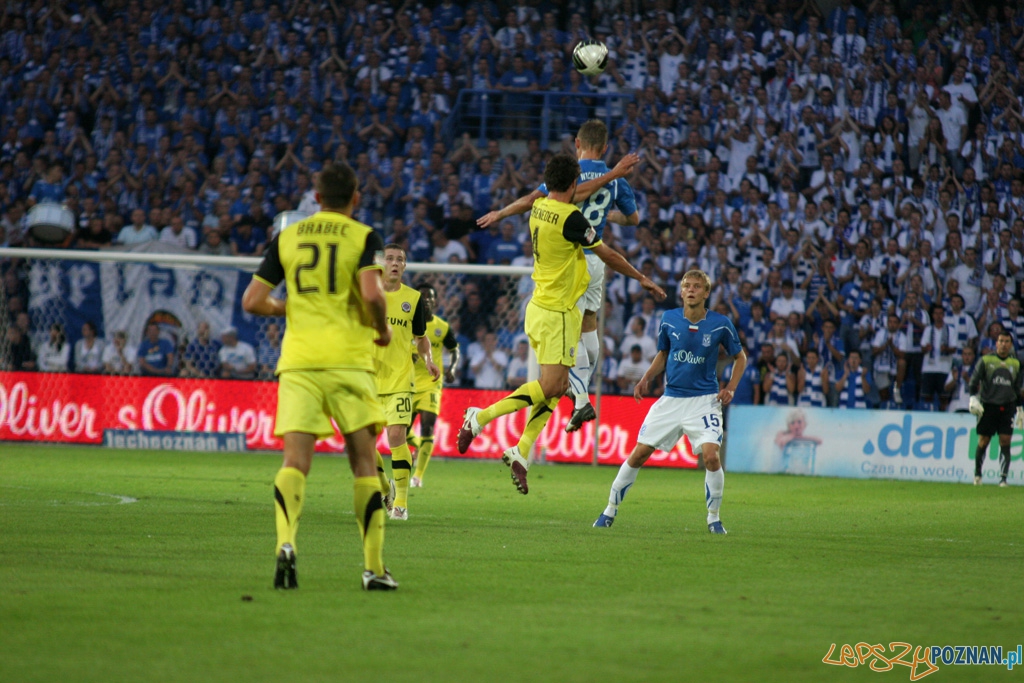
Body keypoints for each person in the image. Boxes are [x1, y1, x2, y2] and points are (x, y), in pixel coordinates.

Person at [458, 153, 665, 495]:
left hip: (540, 306)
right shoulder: (570, 218)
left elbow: (573, 194)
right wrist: (641, 277)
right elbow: (608, 254)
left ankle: (521, 451)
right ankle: (479, 417)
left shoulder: (539, 206)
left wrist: (604, 176)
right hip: (560, 313)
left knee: (555, 384)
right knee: (553, 386)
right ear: (573, 184)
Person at [241, 161, 398, 591]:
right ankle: (373, 569)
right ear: (355, 197)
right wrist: (382, 330)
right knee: (364, 463)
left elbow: (253, 300)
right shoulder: (365, 236)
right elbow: (371, 294)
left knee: (295, 463)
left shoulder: (288, 237)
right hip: (349, 361)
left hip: (299, 362)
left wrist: (284, 307)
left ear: (316, 195)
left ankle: (286, 544)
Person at [477, 120, 642, 433]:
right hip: (598, 262)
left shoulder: (566, 177)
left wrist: (500, 213)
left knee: (565, 349)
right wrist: (610, 209)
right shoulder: (615, 181)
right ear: (605, 147)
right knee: (588, 342)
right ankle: (577, 399)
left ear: (577, 144)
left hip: (572, 263)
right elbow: (633, 219)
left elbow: (532, 200)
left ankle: (579, 399)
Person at [593, 270, 746, 533]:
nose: (691, 290)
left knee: (711, 457)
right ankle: (609, 510)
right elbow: (664, 353)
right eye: (687, 285)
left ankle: (714, 518)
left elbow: (740, 357)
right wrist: (646, 378)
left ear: (706, 293)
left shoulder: (720, 323)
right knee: (638, 454)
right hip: (671, 399)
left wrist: (730, 387)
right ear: (682, 291)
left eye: (697, 286)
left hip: (704, 401)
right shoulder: (669, 319)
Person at [374, 244, 440, 520]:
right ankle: (384, 489)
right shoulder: (366, 294)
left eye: (400, 259)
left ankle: (400, 503)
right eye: (389, 258)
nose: (394, 263)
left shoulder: (412, 299)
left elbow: (420, 337)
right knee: (362, 446)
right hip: (368, 379)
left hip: (401, 378)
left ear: (404, 266)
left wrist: (428, 360)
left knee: (397, 436)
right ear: (381, 262)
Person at [408, 284, 459, 488]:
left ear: (435, 301)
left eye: (430, 297)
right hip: (407, 383)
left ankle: (418, 476)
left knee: (428, 426)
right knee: (401, 432)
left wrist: (452, 368)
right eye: (422, 297)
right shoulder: (407, 324)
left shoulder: (442, 327)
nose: (427, 300)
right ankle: (420, 447)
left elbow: (455, 349)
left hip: (431, 383)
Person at [968, 332, 1024, 487]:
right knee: (984, 440)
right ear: (996, 343)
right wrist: (973, 397)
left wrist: (1020, 409)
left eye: (1007, 341)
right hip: (988, 406)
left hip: (1007, 407)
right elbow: (974, 381)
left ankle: (1003, 478)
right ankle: (978, 474)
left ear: (1011, 344)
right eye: (1001, 341)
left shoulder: (1016, 364)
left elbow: (1017, 388)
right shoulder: (986, 360)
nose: (1004, 344)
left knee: (1005, 441)